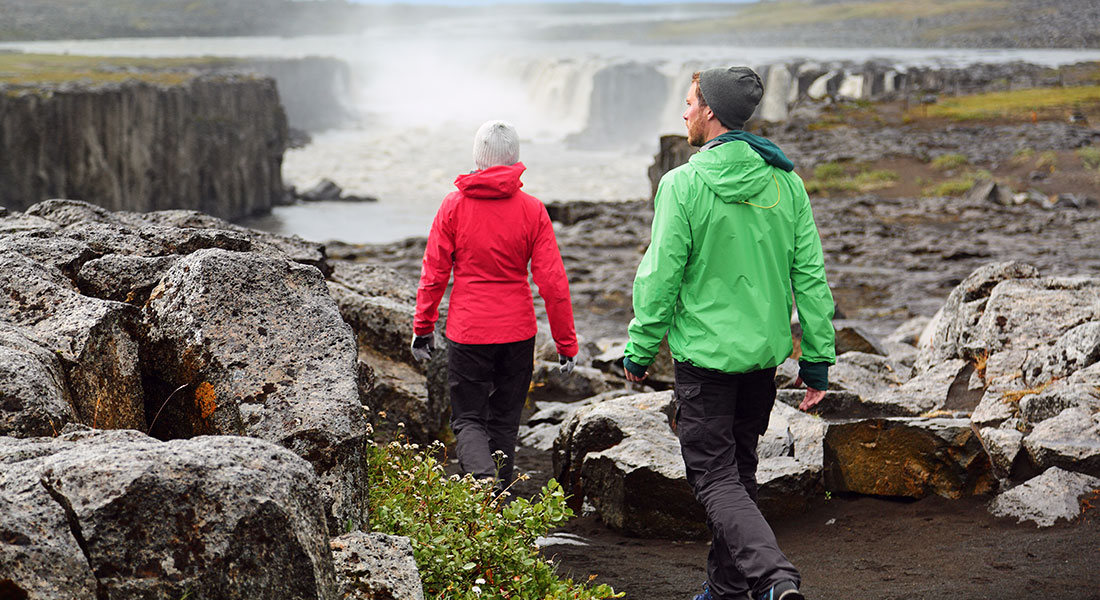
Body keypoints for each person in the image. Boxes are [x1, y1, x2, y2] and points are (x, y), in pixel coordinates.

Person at [622, 67, 835, 600]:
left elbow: (661, 274)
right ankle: (725, 591)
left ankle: (775, 579)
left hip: (707, 364)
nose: (685, 112)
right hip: (761, 363)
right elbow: (809, 277)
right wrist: (816, 361)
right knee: (738, 475)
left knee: (715, 479)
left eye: (690, 102)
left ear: (711, 111)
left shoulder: (684, 184)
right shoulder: (785, 182)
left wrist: (640, 348)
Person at [411, 119, 578, 491]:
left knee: (468, 418)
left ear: (477, 158)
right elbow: (553, 283)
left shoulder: (453, 206)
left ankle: (481, 480)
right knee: (504, 420)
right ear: (515, 159)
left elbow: (434, 271)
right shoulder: (532, 210)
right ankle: (496, 499)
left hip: (469, 331)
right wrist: (567, 344)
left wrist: (423, 328)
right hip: (518, 333)